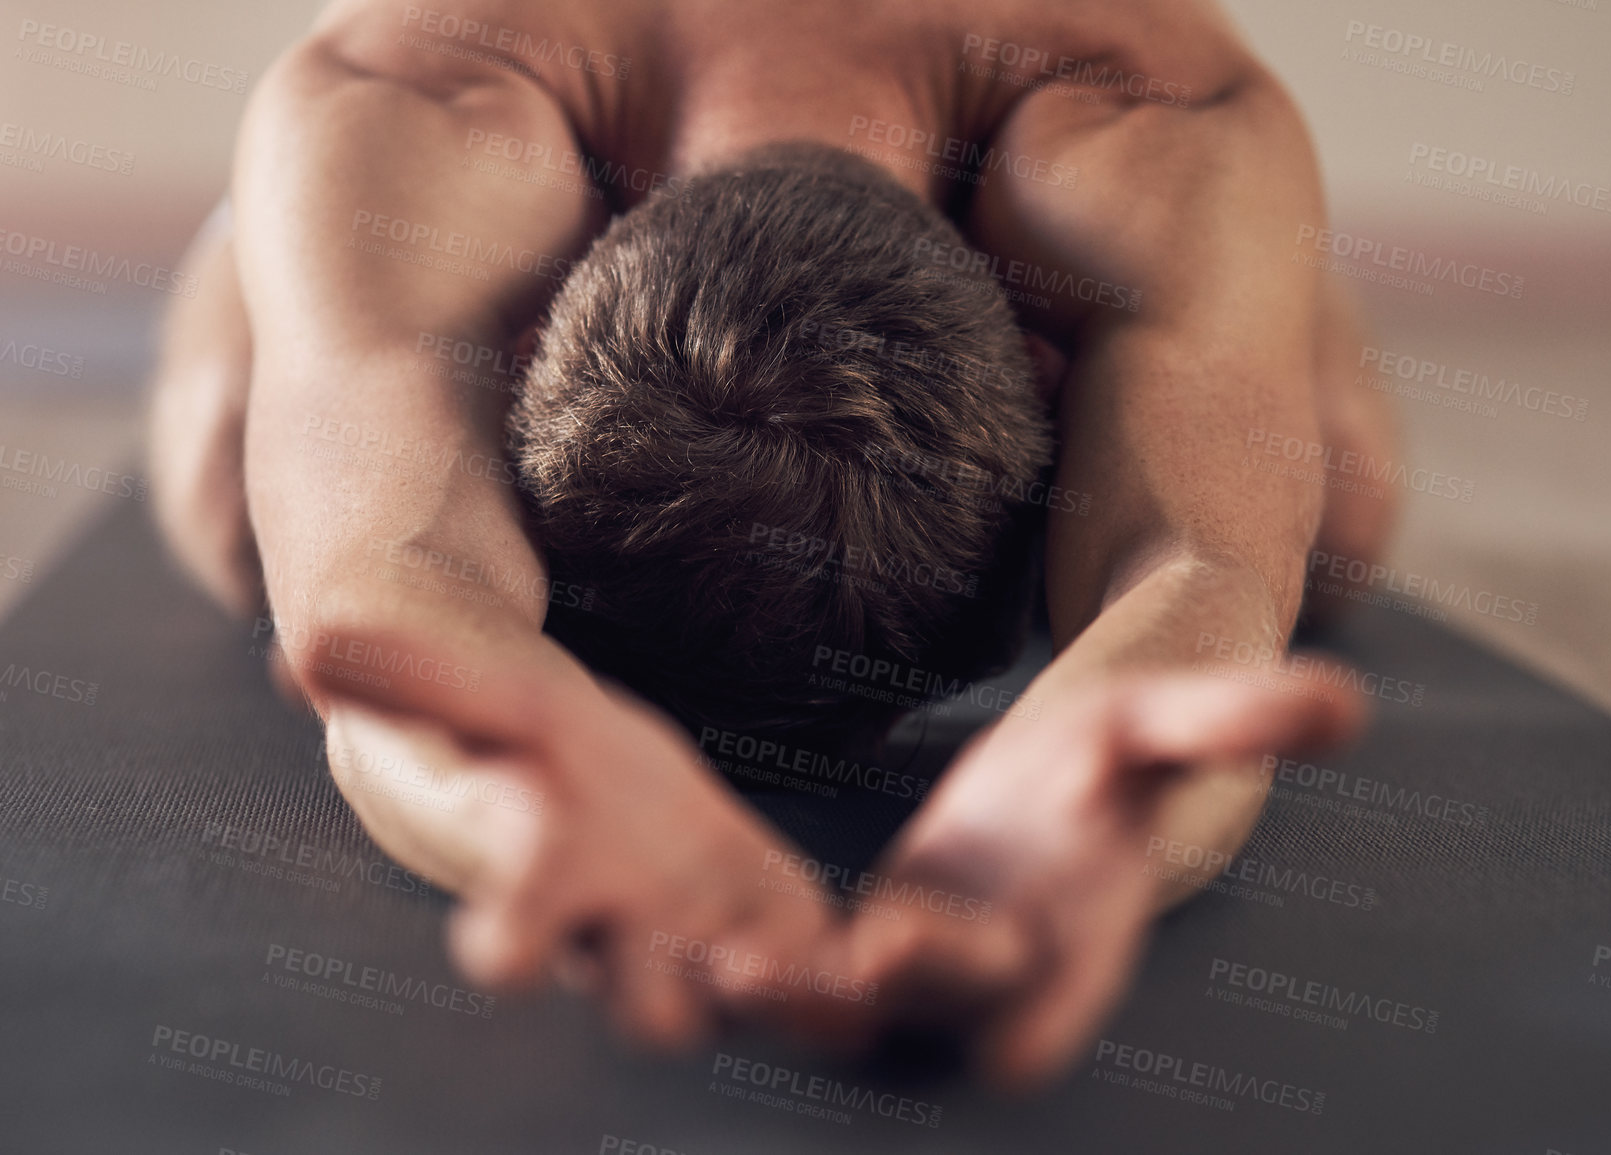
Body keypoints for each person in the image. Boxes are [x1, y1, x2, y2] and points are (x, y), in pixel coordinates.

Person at [148, 0, 1397, 1088]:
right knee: (234, 496)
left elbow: (1201, 573)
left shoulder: (1164, 115)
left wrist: (1122, 771)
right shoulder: (404, 102)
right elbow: (385, 602)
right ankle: (248, 236)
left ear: (1043, 369)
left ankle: (1233, 308)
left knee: (1340, 509)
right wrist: (510, 800)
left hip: (1100, 185)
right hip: (462, 167)